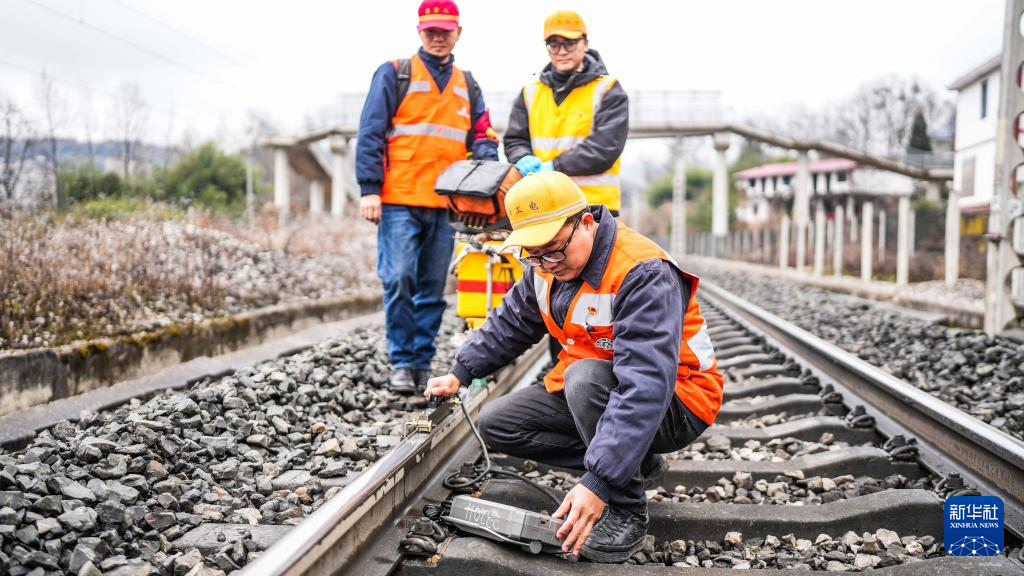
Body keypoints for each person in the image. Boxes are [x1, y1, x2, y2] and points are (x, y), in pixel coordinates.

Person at [424, 172, 724, 563]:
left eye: (553, 251)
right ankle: (635, 462)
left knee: (583, 379)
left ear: (585, 223)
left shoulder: (643, 273)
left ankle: (627, 511)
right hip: (599, 385)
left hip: (677, 401)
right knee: (498, 423)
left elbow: (645, 386)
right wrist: (461, 372)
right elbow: (512, 322)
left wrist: (598, 482)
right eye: (533, 255)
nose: (545, 264)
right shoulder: (543, 265)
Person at [356, 0, 499, 394]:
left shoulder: (467, 85)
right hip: (399, 198)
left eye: (445, 31)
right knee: (399, 278)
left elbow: (483, 137)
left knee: (433, 288)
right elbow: (370, 132)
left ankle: (420, 362)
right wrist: (369, 189)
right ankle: (402, 362)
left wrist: (489, 180)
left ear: (458, 33)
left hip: (446, 205)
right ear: (420, 32)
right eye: (431, 31)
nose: (438, 37)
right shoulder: (394, 73)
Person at [503, 10, 628, 215]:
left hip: (593, 206)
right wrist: (522, 157)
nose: (561, 51)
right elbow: (515, 139)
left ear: (585, 43)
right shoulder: (530, 92)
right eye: (554, 45)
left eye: (569, 43)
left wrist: (555, 166)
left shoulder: (608, 89)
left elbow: (605, 147)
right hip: (543, 204)